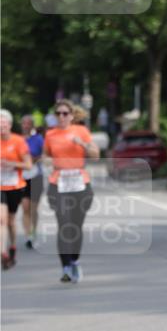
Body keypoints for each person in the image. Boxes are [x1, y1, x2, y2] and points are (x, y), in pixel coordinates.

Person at [43, 99, 99, 283]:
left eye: (65, 113)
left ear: (72, 115)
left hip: (80, 184)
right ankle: (65, 266)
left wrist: (82, 144)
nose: (61, 117)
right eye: (58, 114)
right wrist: (46, 160)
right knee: (64, 224)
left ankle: (75, 260)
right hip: (58, 184)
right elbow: (45, 155)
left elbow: (96, 155)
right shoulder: (50, 134)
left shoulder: (81, 131)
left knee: (76, 226)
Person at [0, 109, 32, 270]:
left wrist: (11, 164)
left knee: (11, 221)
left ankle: (12, 246)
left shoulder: (18, 141)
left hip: (14, 185)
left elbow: (28, 165)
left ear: (10, 125)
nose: (1, 127)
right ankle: (3, 252)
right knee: (2, 219)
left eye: (3, 124)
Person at [20, 114, 44, 249]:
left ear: (32, 125)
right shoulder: (17, 140)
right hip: (22, 176)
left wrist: (34, 159)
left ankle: (34, 232)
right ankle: (28, 235)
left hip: (36, 176)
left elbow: (44, 153)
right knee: (25, 207)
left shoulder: (38, 139)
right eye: (24, 123)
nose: (26, 126)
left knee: (33, 208)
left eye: (29, 123)